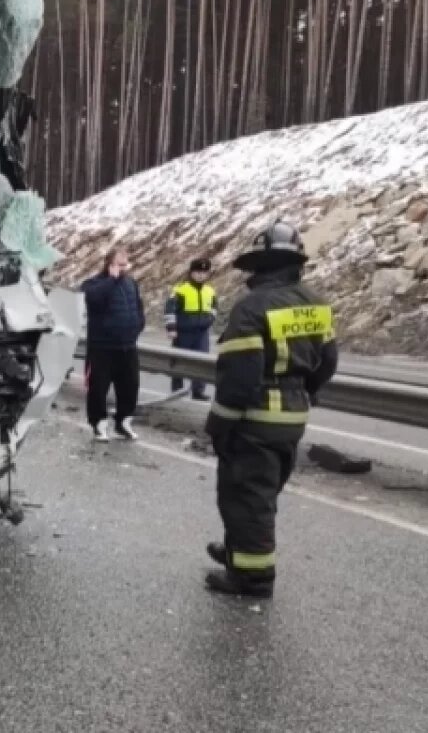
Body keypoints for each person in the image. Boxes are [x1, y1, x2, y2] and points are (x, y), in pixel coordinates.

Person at [203, 222, 339, 598]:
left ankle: (252, 576)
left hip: (255, 420)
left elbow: (240, 377)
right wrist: (301, 391)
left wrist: (218, 424)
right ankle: (239, 552)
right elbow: (328, 361)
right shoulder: (316, 303)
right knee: (263, 492)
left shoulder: (252, 307)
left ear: (260, 265)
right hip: (292, 418)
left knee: (246, 496)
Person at [82, 247, 145, 442]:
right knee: (98, 388)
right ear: (109, 264)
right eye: (120, 264)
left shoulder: (131, 283)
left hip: (127, 346)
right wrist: (111, 280)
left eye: (126, 264)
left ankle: (124, 422)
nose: (123, 268)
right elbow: (91, 298)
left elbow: (139, 307)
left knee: (130, 386)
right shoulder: (94, 283)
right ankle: (99, 424)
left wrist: (137, 325)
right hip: (102, 347)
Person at [164, 257, 218, 400]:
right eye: (198, 272)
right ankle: (177, 390)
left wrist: (210, 320)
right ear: (191, 273)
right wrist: (171, 328)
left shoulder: (210, 291)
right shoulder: (181, 290)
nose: (201, 275)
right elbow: (170, 309)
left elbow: (214, 308)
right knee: (179, 362)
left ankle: (198, 391)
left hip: (201, 333)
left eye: (204, 272)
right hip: (183, 332)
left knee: (201, 362)